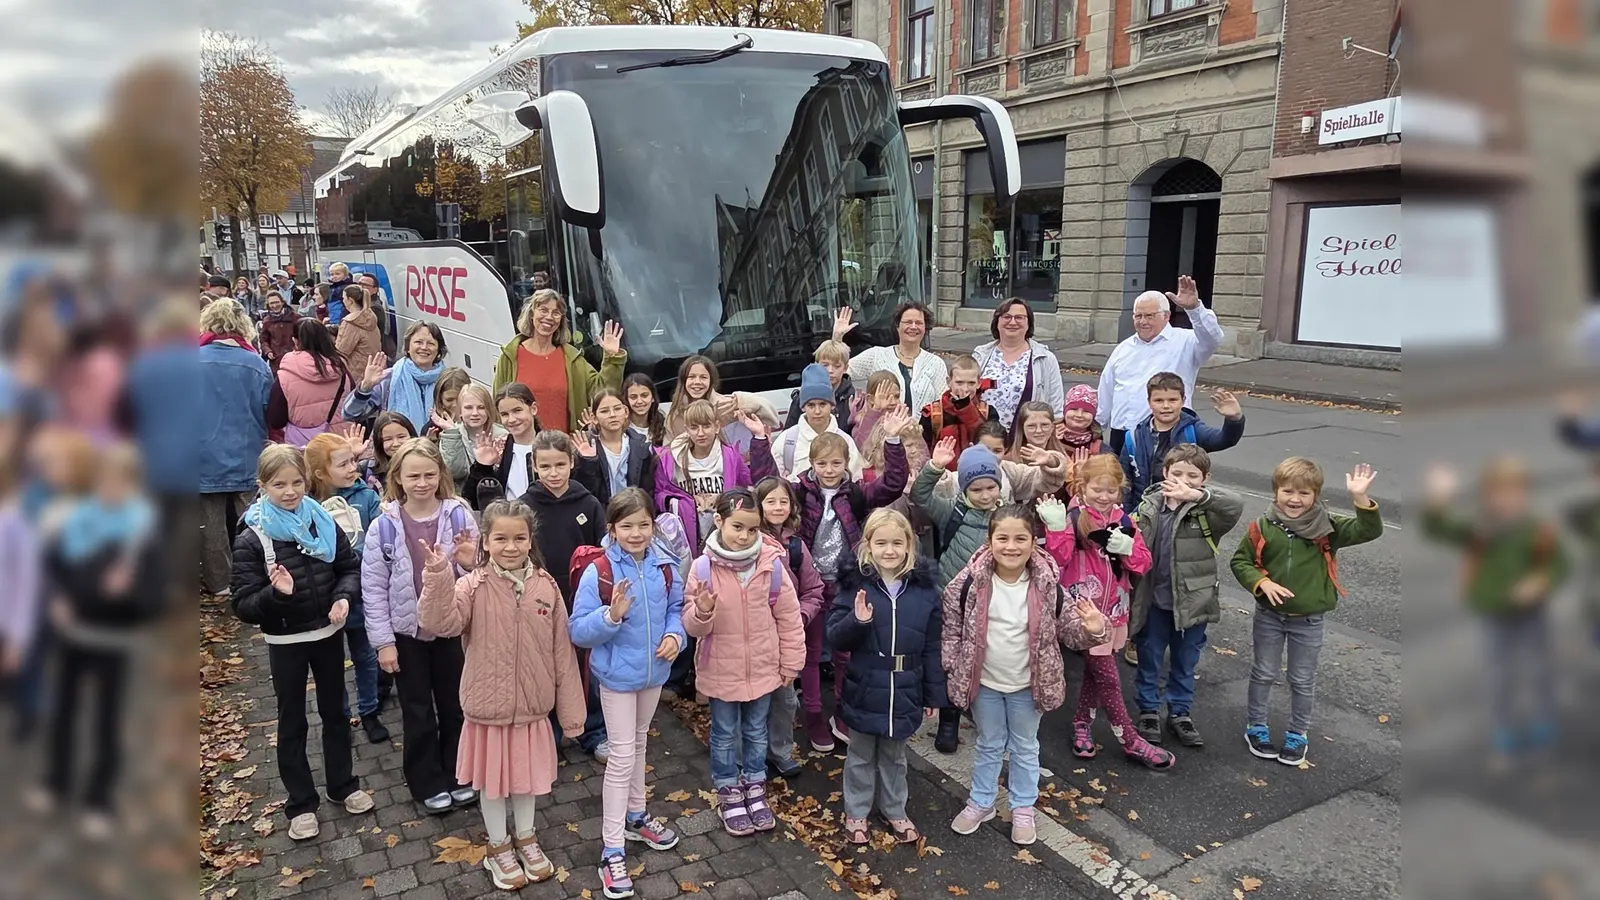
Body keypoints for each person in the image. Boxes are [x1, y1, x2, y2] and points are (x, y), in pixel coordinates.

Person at [417, 499, 586, 890]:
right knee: (493, 783)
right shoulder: (471, 585)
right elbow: (439, 622)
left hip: (531, 707)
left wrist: (572, 713)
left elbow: (563, 652)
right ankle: (498, 846)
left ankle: (526, 838)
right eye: (501, 539)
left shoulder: (547, 587)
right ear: (486, 542)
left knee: (525, 781)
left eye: (519, 538)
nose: (511, 546)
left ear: (530, 540)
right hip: (487, 709)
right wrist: (439, 573)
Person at [942, 503, 1110, 844]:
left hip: (1027, 686)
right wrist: (952, 665)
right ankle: (981, 801)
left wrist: (1094, 629)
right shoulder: (969, 583)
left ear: (1034, 542)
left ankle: (1022, 807)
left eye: (1021, 538)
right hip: (985, 683)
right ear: (989, 542)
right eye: (1002, 538)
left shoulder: (1047, 585)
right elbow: (951, 627)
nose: (1011, 546)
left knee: (1023, 746)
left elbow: (1070, 632)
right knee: (988, 744)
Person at [230, 445, 375, 840]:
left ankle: (343, 785)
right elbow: (242, 604)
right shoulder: (252, 538)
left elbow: (348, 567)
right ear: (262, 486)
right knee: (292, 721)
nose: (290, 492)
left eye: (296, 482)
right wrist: (277, 596)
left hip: (328, 634)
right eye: (279, 485)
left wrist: (344, 596)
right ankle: (300, 804)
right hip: (286, 641)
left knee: (335, 714)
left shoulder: (322, 520)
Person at [25, 443, 162, 838]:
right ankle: (56, 782)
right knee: (63, 712)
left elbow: (153, 599)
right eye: (105, 481)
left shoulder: (141, 532)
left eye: (120, 482)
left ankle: (99, 798)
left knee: (107, 719)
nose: (111, 489)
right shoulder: (76, 521)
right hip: (72, 636)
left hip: (114, 641)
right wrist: (56, 600)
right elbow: (51, 570)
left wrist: (128, 593)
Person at [569, 488, 687, 900]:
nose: (636, 533)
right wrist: (611, 616)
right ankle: (611, 849)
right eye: (627, 526)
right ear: (612, 529)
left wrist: (677, 635)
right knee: (620, 756)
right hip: (617, 678)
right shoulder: (599, 571)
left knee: (638, 745)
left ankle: (636, 817)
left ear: (652, 525)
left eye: (643, 525)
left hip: (654, 673)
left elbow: (677, 609)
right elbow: (578, 629)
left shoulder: (665, 565)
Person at [1232, 459, 1381, 766]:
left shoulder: (1329, 527)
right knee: (1263, 673)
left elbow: (1369, 529)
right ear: (1276, 493)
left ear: (1316, 495)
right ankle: (1256, 727)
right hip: (1270, 616)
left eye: (1304, 493)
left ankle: (1298, 733)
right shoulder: (1262, 526)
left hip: (1309, 620)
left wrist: (1360, 498)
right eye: (1287, 491)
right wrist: (1261, 583)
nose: (1295, 499)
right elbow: (1240, 562)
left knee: (1301, 679)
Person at [362, 438, 481, 814]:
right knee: (417, 711)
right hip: (406, 633)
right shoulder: (383, 527)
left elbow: (475, 575)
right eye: (413, 475)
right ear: (397, 477)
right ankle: (426, 780)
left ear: (441, 475)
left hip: (450, 629)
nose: (422, 482)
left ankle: (458, 771)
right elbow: (373, 589)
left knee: (455, 705)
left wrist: (468, 562)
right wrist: (383, 643)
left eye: (430, 474)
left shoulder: (459, 515)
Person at [1424, 459, 1565, 764]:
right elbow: (1438, 529)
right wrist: (1438, 498)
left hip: (1532, 613)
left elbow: (1559, 563)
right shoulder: (1480, 530)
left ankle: (1544, 723)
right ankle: (1503, 729)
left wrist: (1541, 580)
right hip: (1495, 613)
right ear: (1487, 496)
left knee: (1540, 668)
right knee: (1500, 673)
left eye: (1516, 493)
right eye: (1500, 493)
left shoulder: (1536, 529)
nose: (1509, 500)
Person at [682, 490, 805, 837]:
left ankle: (754, 785)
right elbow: (692, 625)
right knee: (723, 734)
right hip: (722, 669)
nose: (744, 536)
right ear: (719, 522)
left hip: (764, 669)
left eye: (752, 530)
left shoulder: (772, 565)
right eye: (737, 527)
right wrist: (703, 609)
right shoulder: (703, 567)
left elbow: (789, 619)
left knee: (755, 730)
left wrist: (791, 663)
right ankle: (728, 788)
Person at [828, 508, 946, 846]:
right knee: (861, 755)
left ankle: (895, 809)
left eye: (897, 543)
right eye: (881, 543)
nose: (890, 550)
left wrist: (931, 695)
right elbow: (836, 636)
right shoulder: (855, 587)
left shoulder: (924, 592)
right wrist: (857, 620)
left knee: (895, 757)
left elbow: (932, 646)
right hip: (866, 685)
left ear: (910, 545)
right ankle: (856, 811)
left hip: (906, 686)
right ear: (868, 545)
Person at [1049, 455, 1170, 769]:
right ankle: (1130, 740)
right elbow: (1057, 559)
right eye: (1096, 489)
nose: (1103, 497)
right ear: (1083, 486)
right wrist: (1055, 526)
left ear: (1120, 490)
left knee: (1096, 674)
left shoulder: (1126, 521)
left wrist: (1128, 549)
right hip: (1084, 614)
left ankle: (1081, 724)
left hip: (1115, 611)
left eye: (1111, 490)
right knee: (1109, 679)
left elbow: (1143, 564)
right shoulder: (1074, 517)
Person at [1129, 445, 1243, 749]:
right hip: (1154, 598)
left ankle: (1179, 711)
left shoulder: (1207, 512)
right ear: (1165, 472)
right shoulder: (1149, 506)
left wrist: (1199, 497)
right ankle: (1149, 709)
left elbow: (1235, 505)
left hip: (1193, 601)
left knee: (1185, 660)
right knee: (1150, 655)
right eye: (1177, 472)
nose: (1183, 480)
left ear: (1204, 479)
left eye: (1193, 476)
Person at [519, 431, 611, 758]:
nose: (554, 472)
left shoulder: (588, 503)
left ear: (571, 463)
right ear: (535, 467)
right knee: (547, 667)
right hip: (542, 600)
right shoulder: (524, 507)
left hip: (582, 600)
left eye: (560, 464)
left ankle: (594, 731)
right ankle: (551, 734)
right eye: (546, 466)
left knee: (586, 666)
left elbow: (604, 551)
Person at [304, 432, 390, 744]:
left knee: (366, 655)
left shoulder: (366, 497)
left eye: (353, 461)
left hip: (363, 591)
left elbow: (378, 540)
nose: (352, 467)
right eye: (343, 464)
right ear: (319, 473)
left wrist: (347, 553)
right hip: (326, 596)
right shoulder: (307, 506)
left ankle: (369, 711)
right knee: (330, 663)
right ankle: (338, 718)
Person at [1095, 275, 1225, 456]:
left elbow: (1213, 339)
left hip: (1166, 434)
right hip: (1122, 434)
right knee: (1119, 483)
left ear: (1167, 316)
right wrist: (1095, 428)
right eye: (1138, 316)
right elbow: (1106, 390)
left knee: (1162, 482)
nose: (1142, 321)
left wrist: (1195, 309)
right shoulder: (1123, 348)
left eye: (1149, 315)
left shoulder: (1186, 342)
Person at [198, 299, 272, 598]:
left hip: (200, 455)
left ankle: (220, 583)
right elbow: (269, 409)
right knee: (254, 521)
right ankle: (255, 576)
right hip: (247, 452)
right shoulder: (255, 364)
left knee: (211, 526)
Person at [753, 477, 829, 763]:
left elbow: (814, 590)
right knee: (755, 702)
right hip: (755, 636)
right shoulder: (747, 542)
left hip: (785, 638)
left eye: (783, 501)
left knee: (785, 701)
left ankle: (780, 752)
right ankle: (752, 756)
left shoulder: (796, 547)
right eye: (770, 501)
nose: (777, 507)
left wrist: (798, 616)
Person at [491, 289, 627, 432]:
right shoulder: (510, 356)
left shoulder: (572, 359)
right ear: (531, 314)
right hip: (524, 447)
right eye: (543, 310)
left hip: (563, 449)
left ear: (561, 320)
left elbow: (603, 392)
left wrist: (612, 358)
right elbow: (497, 407)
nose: (549, 317)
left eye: (556, 313)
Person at [1119, 374, 1245, 513]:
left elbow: (1225, 439)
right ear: (1149, 402)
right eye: (1159, 400)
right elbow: (1125, 482)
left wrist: (1234, 419)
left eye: (1173, 400)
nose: (1166, 406)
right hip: (1144, 513)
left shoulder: (1194, 431)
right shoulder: (1133, 437)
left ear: (1183, 400)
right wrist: (1127, 517)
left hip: (1183, 513)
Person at [655, 399, 754, 554]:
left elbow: (746, 491)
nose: (700, 433)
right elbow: (659, 495)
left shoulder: (730, 456)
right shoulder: (669, 458)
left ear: (716, 426)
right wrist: (687, 501)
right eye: (694, 427)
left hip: (723, 537)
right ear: (686, 429)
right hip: (685, 539)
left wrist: (722, 498)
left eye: (706, 426)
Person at [835, 303, 949, 414]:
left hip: (921, 432)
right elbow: (835, 371)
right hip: (881, 430)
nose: (913, 327)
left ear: (925, 328)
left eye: (919, 323)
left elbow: (944, 405)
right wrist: (837, 338)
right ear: (897, 326)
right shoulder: (877, 356)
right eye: (908, 322)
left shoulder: (936, 363)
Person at [972, 299, 1065, 431]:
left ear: (1028, 323)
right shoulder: (980, 356)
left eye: (1019, 318)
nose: (1013, 322)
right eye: (1007, 317)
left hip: (1027, 439)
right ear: (997, 322)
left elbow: (1056, 408)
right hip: (986, 438)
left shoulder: (1045, 359)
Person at [342, 322, 449, 434]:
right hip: (394, 447)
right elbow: (349, 414)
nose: (424, 347)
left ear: (438, 350)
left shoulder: (446, 381)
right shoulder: (388, 378)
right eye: (418, 342)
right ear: (408, 347)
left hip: (435, 449)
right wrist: (365, 388)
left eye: (431, 343)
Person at [770, 363, 867, 482]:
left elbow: (857, 481)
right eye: (811, 405)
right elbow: (774, 483)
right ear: (802, 407)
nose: (817, 411)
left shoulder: (845, 441)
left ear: (832, 405)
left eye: (822, 404)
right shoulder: (786, 441)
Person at [267, 318, 351, 448]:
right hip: (341, 441)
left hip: (305, 446)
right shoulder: (342, 369)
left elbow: (276, 420)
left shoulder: (285, 375)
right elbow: (353, 405)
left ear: (295, 341)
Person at [462, 384, 544, 510]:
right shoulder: (498, 448)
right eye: (505, 414)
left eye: (517, 411)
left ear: (533, 409)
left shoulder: (550, 445)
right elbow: (472, 499)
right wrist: (482, 467)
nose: (511, 419)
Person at [575, 388, 658, 507]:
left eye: (617, 409)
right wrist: (588, 462)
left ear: (625, 412)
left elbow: (648, 490)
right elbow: (583, 492)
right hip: (601, 516)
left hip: (633, 512)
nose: (612, 415)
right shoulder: (586, 447)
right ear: (594, 418)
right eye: (604, 411)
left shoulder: (641, 447)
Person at [919, 355, 997, 464]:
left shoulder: (988, 411)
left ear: (979, 383)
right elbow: (922, 451)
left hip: (977, 473)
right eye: (959, 383)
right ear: (949, 382)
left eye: (971, 383)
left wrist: (966, 409)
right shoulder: (932, 413)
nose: (965, 389)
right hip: (941, 475)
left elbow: (990, 443)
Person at [439, 384, 505, 494]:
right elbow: (454, 472)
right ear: (460, 411)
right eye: (468, 408)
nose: (475, 413)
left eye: (481, 407)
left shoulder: (502, 435)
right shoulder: (451, 434)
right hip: (464, 497)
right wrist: (452, 435)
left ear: (489, 410)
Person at [782, 341, 857, 434]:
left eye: (837, 366)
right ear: (816, 364)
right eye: (825, 365)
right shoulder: (802, 397)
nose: (830, 370)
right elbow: (789, 433)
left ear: (845, 368)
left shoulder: (853, 398)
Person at [363, 412, 419, 495]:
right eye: (388, 439)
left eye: (401, 437)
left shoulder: (426, 465)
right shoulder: (367, 469)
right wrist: (353, 456)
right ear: (379, 443)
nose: (396, 444)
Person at [1056, 384, 1110, 468]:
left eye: (1086, 411)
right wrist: (1052, 443)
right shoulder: (1047, 436)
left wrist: (1086, 472)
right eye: (1074, 409)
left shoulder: (1102, 449)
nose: (1079, 415)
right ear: (1064, 411)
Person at [334, 283, 383, 373]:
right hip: (371, 369)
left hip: (354, 372)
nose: (343, 301)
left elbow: (341, 351)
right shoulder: (370, 317)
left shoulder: (350, 322)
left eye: (344, 298)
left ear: (350, 300)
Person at [422, 367, 471, 441]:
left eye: (460, 398)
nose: (455, 404)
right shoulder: (432, 428)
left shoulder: (478, 421)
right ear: (440, 400)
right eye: (449, 400)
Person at [257, 291, 300, 371]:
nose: (274, 305)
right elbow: (263, 339)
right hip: (276, 359)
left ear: (282, 302)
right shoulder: (267, 321)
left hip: (295, 357)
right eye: (271, 303)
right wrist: (268, 351)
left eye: (277, 302)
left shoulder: (295, 318)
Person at [622, 373, 666, 447]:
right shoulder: (621, 427)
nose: (639, 401)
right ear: (626, 400)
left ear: (653, 398)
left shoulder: (663, 424)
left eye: (644, 395)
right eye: (633, 397)